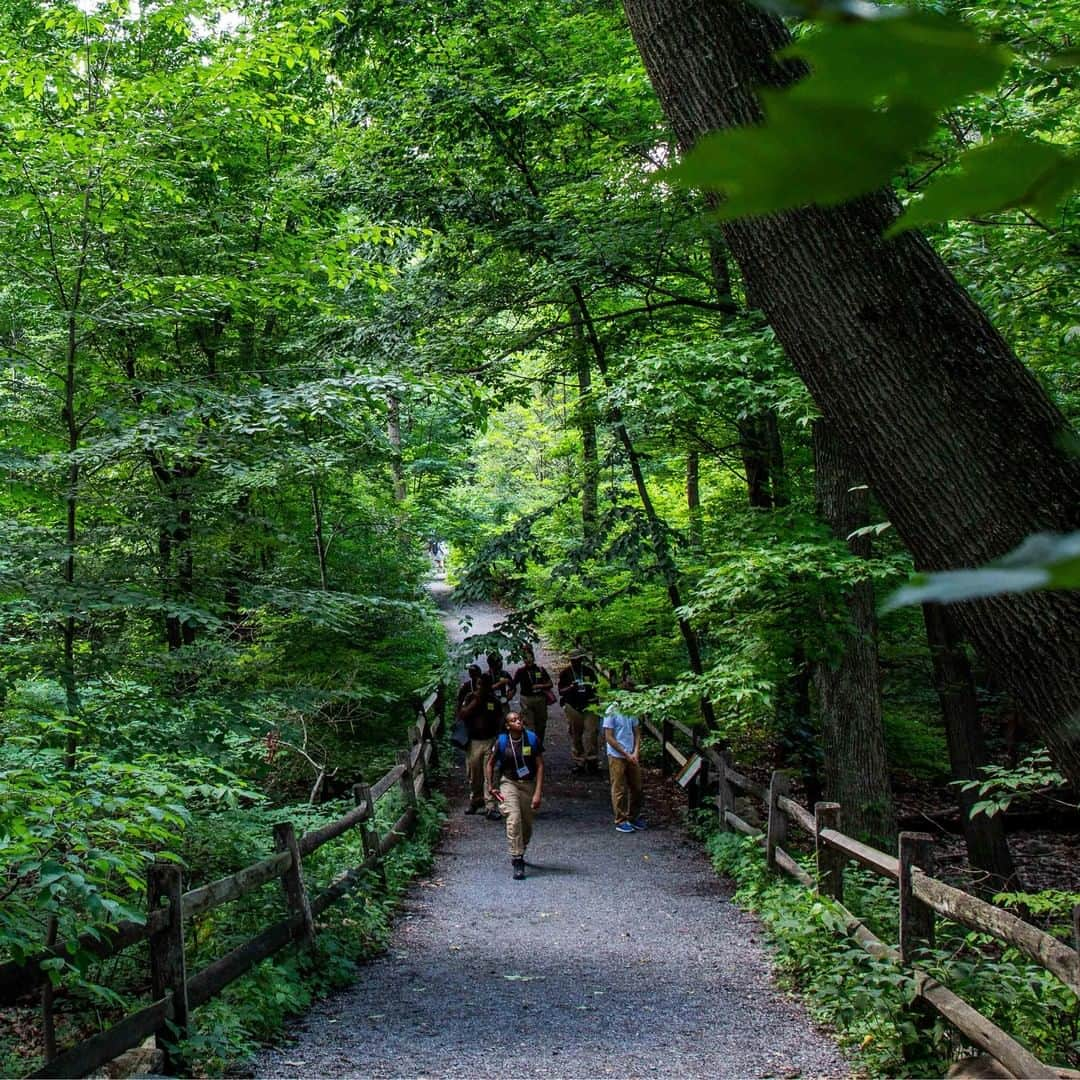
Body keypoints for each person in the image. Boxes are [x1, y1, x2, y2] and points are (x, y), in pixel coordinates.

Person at [486, 711, 544, 879]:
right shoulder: (502, 741)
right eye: (513, 720)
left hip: (528, 784)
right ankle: (517, 858)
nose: (518, 722)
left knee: (526, 823)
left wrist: (538, 792)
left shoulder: (532, 739)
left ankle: (521, 848)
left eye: (519, 719)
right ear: (507, 725)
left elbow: (540, 765)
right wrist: (491, 786)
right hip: (509, 782)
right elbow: (490, 764)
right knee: (514, 818)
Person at [602, 676, 645, 833]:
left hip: (631, 754)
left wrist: (635, 752)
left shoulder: (632, 710)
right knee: (619, 787)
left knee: (637, 786)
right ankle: (620, 819)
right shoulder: (611, 710)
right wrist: (625, 753)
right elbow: (609, 736)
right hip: (616, 755)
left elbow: (637, 732)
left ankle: (634, 816)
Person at [458, 673, 502, 818]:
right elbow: (461, 714)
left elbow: (500, 721)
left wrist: (498, 739)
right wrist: (474, 703)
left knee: (490, 774)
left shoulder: (494, 701)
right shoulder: (470, 698)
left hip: (490, 740)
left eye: (483, 685)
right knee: (474, 774)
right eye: (478, 684)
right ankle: (476, 801)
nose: (480, 688)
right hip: (474, 742)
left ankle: (491, 806)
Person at [558, 648, 600, 774]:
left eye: (578, 659)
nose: (576, 662)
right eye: (574, 660)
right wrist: (571, 687)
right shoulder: (565, 673)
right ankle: (579, 761)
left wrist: (596, 700)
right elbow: (560, 691)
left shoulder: (588, 672)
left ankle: (592, 760)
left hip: (589, 705)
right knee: (576, 734)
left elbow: (596, 687)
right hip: (573, 706)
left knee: (591, 732)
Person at [513, 644, 553, 746]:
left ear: (533, 658)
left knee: (541, 724)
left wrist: (540, 685)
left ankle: (539, 744)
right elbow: (513, 683)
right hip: (526, 699)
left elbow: (550, 684)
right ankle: (530, 747)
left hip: (540, 699)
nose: (528, 660)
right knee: (528, 725)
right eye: (525, 658)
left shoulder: (540, 670)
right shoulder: (521, 671)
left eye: (530, 657)